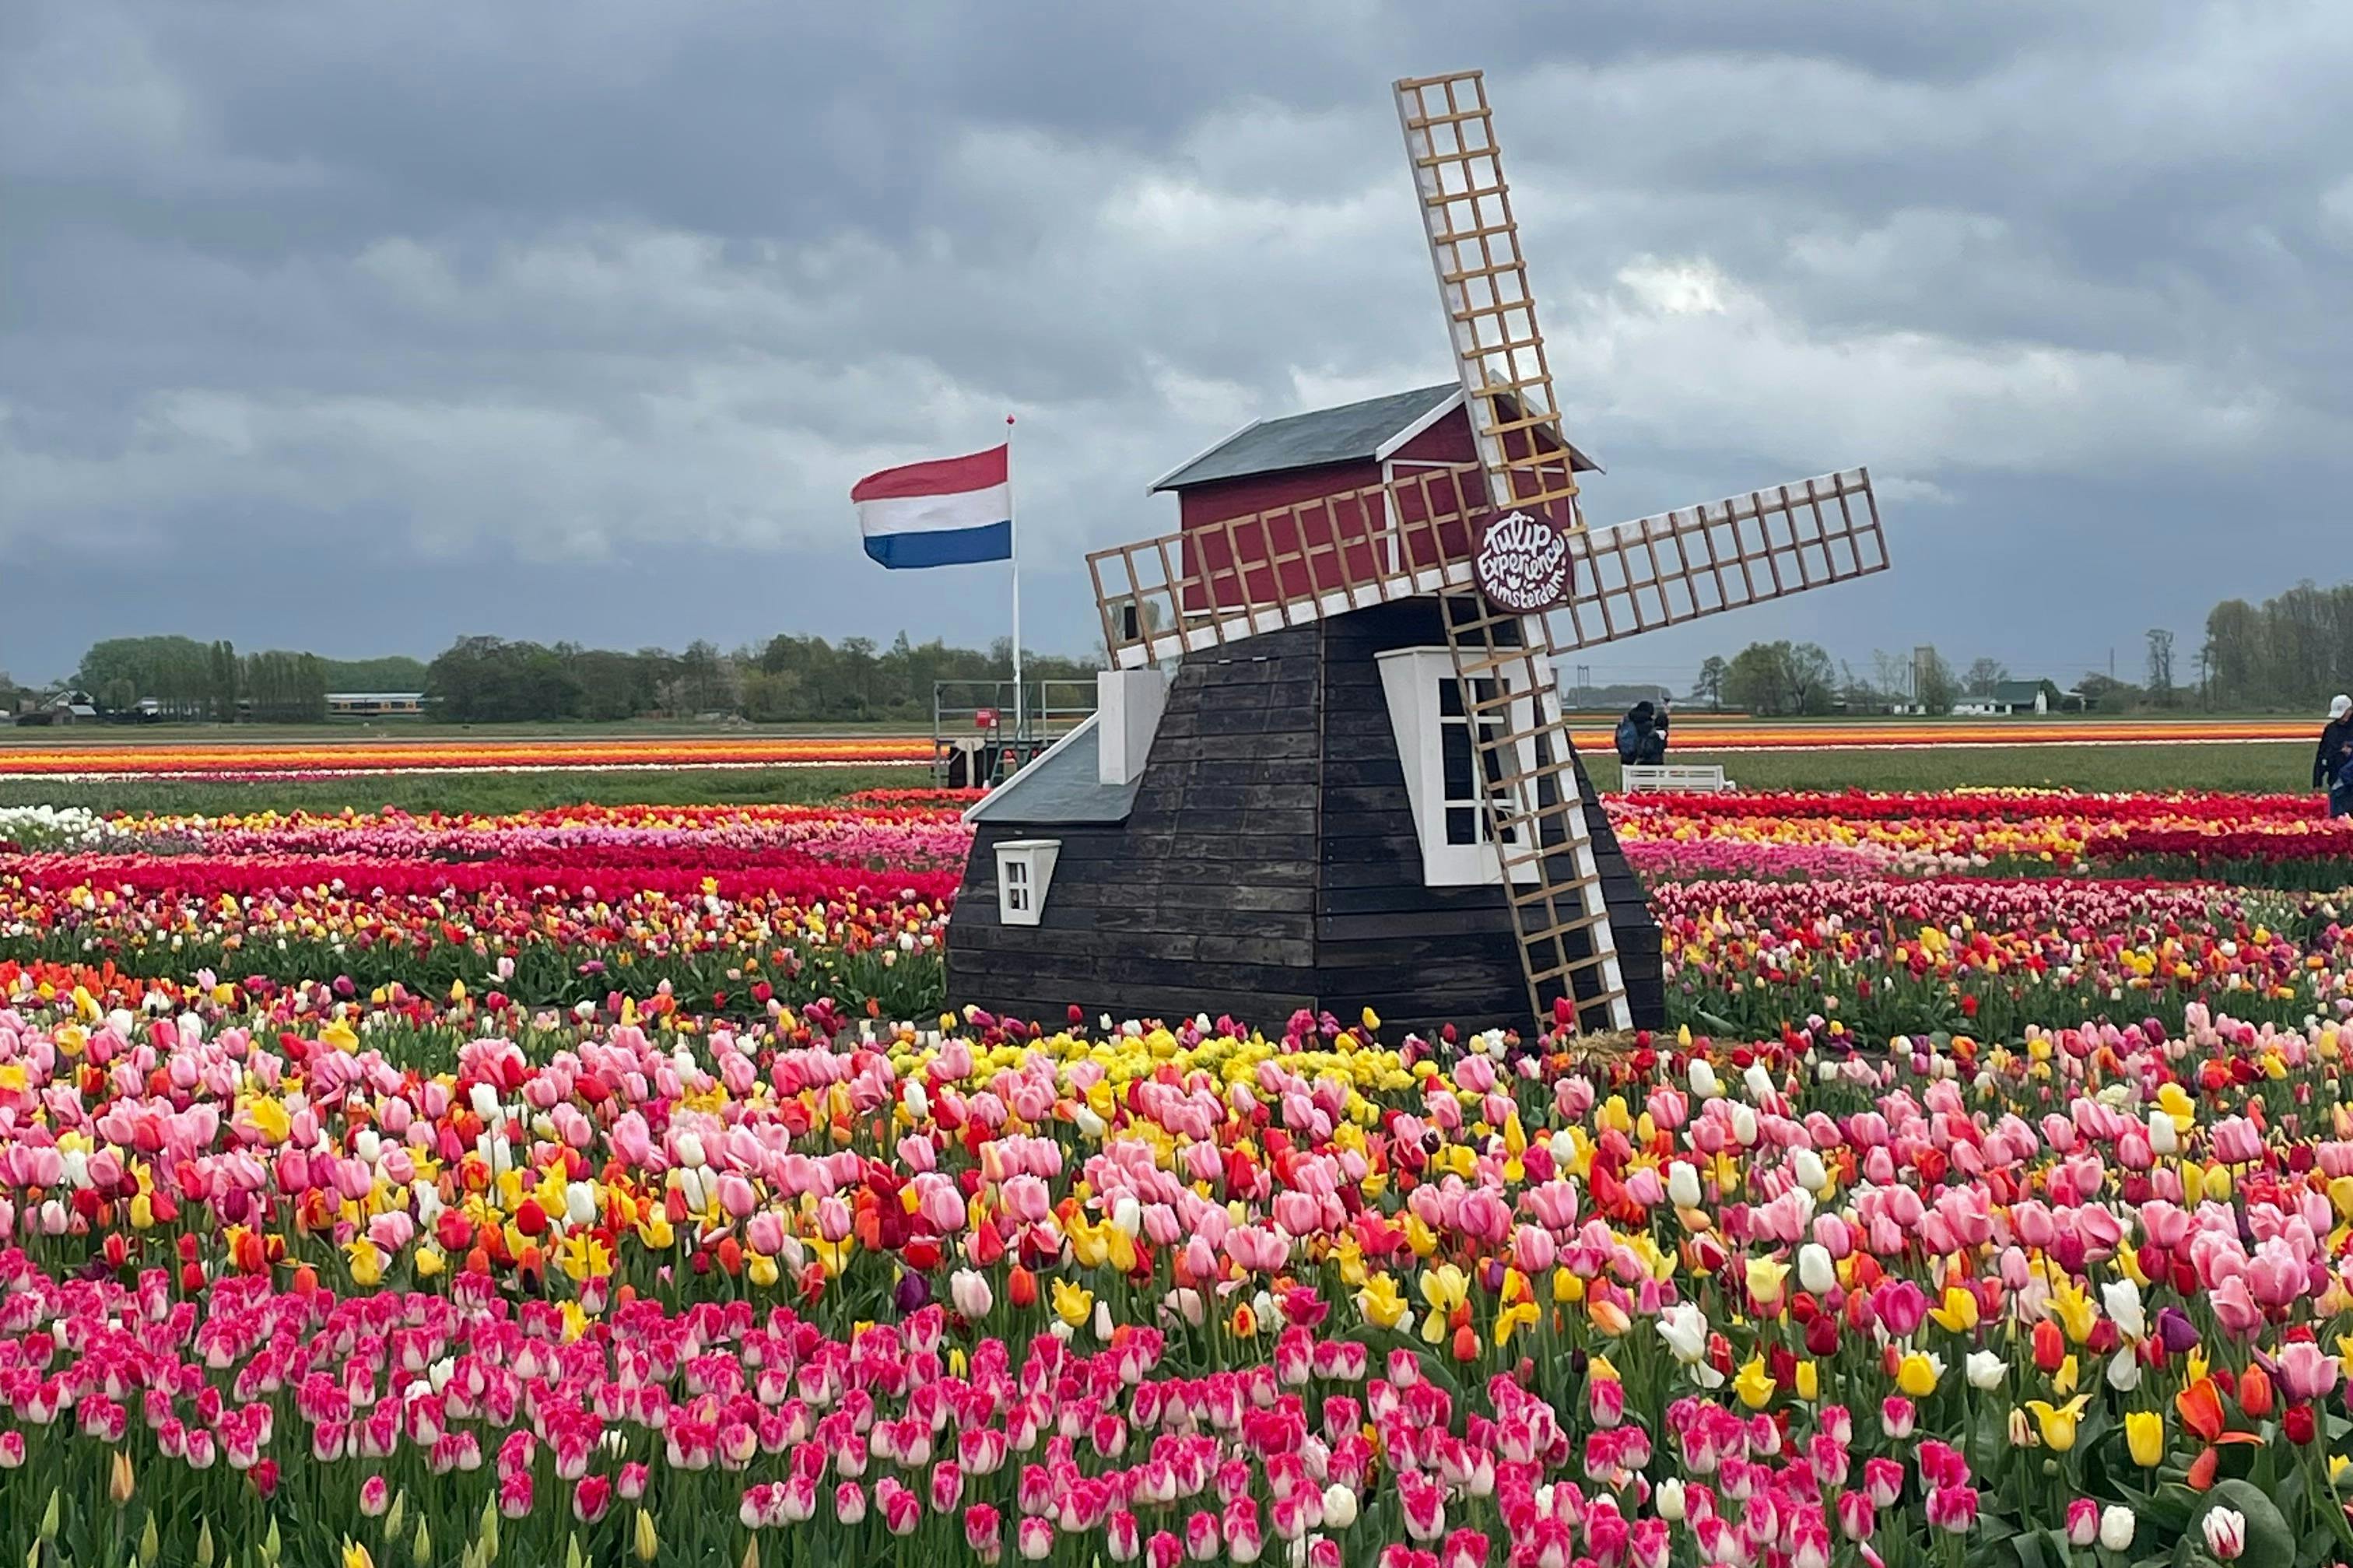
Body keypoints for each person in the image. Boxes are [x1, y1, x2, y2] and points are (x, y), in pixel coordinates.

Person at [2317, 695, 2353, 802]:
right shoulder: (2331, 730)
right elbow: (2322, 755)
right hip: (2335, 780)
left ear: (2350, 710)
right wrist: (2317, 782)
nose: (2341, 718)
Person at [1615, 700, 1657, 765]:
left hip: (1626, 754)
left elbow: (1618, 736)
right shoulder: (1647, 723)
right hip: (1641, 757)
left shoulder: (1627, 719)